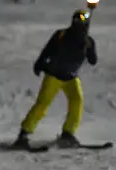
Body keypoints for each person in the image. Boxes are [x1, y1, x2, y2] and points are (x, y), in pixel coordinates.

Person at [12, 9, 98, 149]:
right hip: (54, 75)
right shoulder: (62, 35)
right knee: (42, 105)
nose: (78, 25)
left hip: (71, 77)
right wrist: (40, 63)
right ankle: (24, 134)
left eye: (81, 22)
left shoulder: (87, 41)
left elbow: (93, 61)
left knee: (77, 102)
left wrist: (89, 49)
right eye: (77, 21)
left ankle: (68, 133)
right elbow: (48, 50)